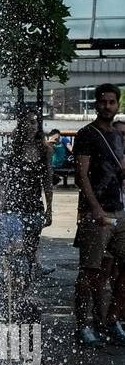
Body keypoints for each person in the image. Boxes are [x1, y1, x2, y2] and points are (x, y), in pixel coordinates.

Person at [73, 84, 125, 346]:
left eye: (112, 102)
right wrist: (94, 207)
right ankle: (84, 326)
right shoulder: (86, 134)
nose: (107, 106)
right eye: (103, 102)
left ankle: (111, 319)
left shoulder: (117, 135)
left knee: (119, 268)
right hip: (97, 212)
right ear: (96, 104)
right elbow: (81, 174)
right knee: (90, 271)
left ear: (117, 105)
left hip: (118, 210)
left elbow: (120, 170)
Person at [0, 108, 52, 274]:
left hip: (34, 207)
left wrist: (50, 209)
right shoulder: (11, 149)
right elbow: (1, 177)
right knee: (15, 249)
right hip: (13, 207)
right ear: (21, 125)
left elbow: (47, 182)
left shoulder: (44, 150)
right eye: (27, 122)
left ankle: (29, 279)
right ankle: (13, 280)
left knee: (32, 247)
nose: (31, 126)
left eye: (34, 122)